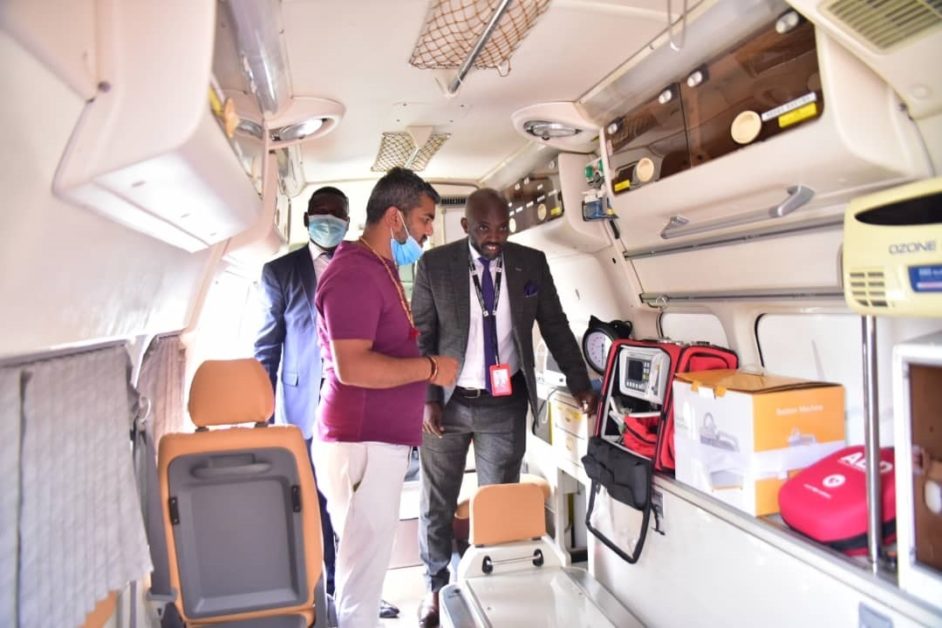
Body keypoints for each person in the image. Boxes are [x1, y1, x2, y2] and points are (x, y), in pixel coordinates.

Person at [411, 187, 597, 627]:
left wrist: (580, 382)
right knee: (437, 501)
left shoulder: (530, 263)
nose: (494, 237)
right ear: (465, 226)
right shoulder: (435, 265)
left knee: (498, 504)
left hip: (505, 402)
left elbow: (555, 325)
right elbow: (421, 335)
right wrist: (428, 398)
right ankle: (435, 587)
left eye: (502, 227)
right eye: (483, 228)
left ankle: (489, 588)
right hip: (447, 402)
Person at [312, 167, 459, 628]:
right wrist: (431, 368)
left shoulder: (381, 267)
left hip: (375, 441)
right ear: (395, 218)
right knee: (362, 576)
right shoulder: (354, 274)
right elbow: (353, 366)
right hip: (361, 440)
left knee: (366, 567)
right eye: (425, 219)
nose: (429, 231)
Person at [253, 186, 349, 601]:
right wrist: (262, 410)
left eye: (336, 214)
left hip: (352, 402)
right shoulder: (280, 272)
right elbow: (267, 346)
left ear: (347, 222)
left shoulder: (360, 265)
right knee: (315, 501)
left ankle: (354, 588)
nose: (328, 220)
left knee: (350, 500)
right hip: (303, 403)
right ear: (308, 219)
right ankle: (325, 588)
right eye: (321, 212)